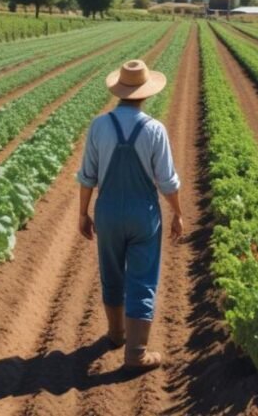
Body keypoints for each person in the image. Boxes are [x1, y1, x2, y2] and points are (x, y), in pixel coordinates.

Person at [76, 59, 184, 371]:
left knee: (111, 273)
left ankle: (116, 335)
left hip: (108, 212)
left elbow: (87, 177)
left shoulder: (99, 126)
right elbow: (167, 181)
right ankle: (136, 354)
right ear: (146, 93)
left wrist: (83, 213)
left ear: (119, 91)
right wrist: (177, 213)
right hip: (143, 214)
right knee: (143, 278)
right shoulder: (154, 129)